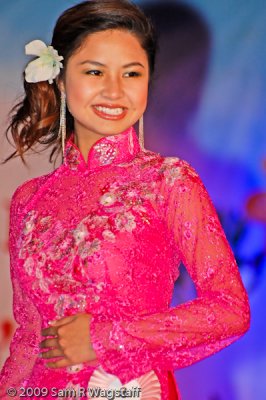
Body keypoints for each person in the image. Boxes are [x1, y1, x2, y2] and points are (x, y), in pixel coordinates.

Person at [0, 1, 250, 399]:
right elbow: (29, 341)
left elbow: (230, 310)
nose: (114, 90)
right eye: (95, 71)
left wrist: (104, 337)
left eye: (131, 73)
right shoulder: (30, 200)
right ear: (62, 80)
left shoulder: (168, 181)